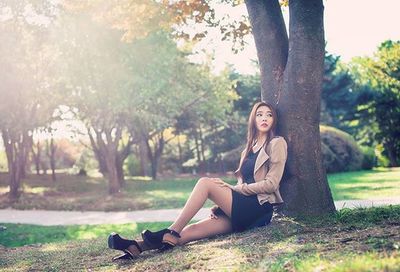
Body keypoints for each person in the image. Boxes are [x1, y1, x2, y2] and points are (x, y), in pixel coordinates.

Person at [108, 101, 288, 261]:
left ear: (274, 120)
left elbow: (272, 184)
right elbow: (242, 183)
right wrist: (222, 205)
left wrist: (234, 190)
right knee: (190, 233)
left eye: (269, 115)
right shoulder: (247, 150)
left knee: (205, 183)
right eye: (259, 114)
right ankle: (136, 246)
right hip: (240, 210)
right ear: (253, 120)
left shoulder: (276, 143)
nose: (264, 118)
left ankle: (172, 231)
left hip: (257, 208)